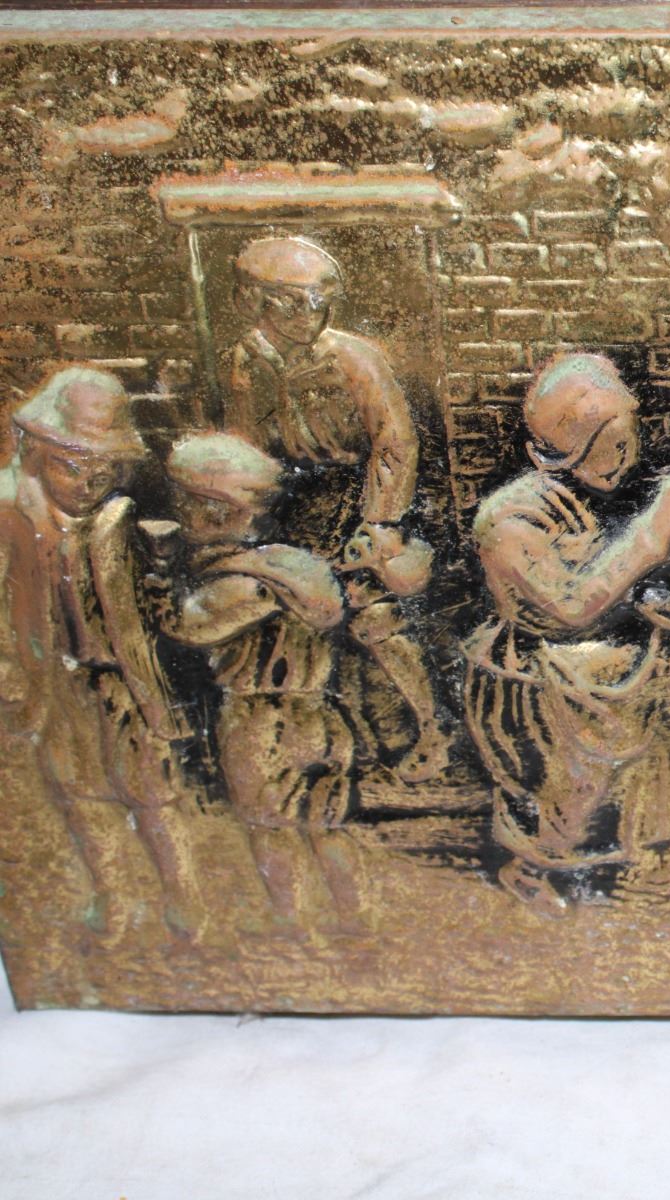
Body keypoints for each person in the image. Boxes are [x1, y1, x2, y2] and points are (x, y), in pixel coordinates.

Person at [462, 353, 670, 916]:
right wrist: (654, 533)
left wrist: (646, 602)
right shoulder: (509, 521)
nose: (620, 463)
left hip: (610, 666)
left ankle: (648, 844)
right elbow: (572, 606)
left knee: (662, 741)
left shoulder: (591, 495)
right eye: (604, 451)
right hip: (546, 674)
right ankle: (532, 868)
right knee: (575, 787)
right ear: (561, 452)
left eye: (624, 445)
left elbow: (604, 580)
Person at [224, 235, 454, 782]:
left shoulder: (353, 357)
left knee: (376, 619)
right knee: (299, 618)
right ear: (257, 300)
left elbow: (395, 441)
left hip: (355, 497)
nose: (308, 313)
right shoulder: (245, 361)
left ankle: (433, 730)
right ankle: (337, 739)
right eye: (291, 301)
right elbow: (243, 443)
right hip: (288, 506)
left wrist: (381, 521)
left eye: (319, 300)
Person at [0, 366, 203, 942]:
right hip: (54, 683)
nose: (88, 483)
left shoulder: (118, 520)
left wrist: (163, 578)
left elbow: (144, 620)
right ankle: (115, 899)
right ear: (35, 453)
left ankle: (184, 900)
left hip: (121, 684)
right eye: (71, 466)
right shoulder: (13, 516)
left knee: (154, 795)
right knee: (81, 796)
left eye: (103, 471)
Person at [148, 433, 365, 936]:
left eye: (187, 502)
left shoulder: (243, 582)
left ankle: (292, 923)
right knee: (326, 825)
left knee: (271, 829)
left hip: (261, 723)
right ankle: (354, 915)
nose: (180, 512)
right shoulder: (297, 569)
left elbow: (188, 625)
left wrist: (159, 575)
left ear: (219, 512)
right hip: (322, 717)